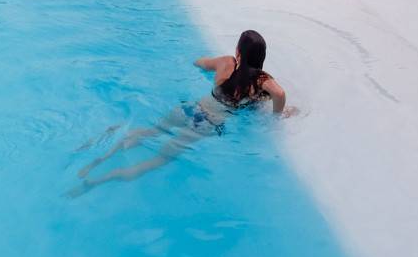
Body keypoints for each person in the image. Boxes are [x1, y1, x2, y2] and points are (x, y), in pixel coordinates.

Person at [69, 30, 291, 195]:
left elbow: (199, 62)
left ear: (238, 52)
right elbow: (279, 94)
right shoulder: (259, 83)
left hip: (191, 108)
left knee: (150, 131)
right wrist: (276, 117)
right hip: (208, 123)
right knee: (155, 160)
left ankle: (96, 161)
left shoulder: (226, 63)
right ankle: (95, 183)